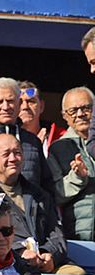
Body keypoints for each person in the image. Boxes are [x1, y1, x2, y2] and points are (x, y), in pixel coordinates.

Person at [0, 130, 70, 273]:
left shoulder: (39, 194)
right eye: (6, 154)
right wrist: (18, 252)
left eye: (17, 153)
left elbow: (56, 232)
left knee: (76, 274)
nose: (13, 158)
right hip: (1, 268)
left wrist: (49, 254)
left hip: (45, 265)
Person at [50, 87, 95, 242]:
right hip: (80, 236)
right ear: (65, 116)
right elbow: (54, 195)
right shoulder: (58, 148)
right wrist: (77, 178)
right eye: (73, 111)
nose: (80, 114)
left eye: (86, 108)